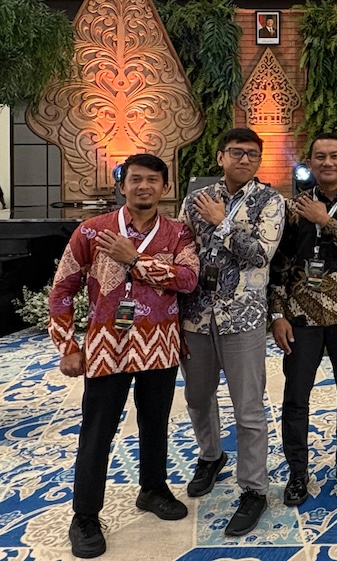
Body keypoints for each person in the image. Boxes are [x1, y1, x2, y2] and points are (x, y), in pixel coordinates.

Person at [48, 154, 199, 558]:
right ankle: (85, 516)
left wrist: (134, 259)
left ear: (165, 187)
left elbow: (188, 280)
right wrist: (67, 345)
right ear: (122, 185)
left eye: (152, 180)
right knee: (97, 431)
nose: (144, 186)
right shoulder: (92, 230)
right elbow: (62, 288)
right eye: (136, 179)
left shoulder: (178, 234)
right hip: (106, 347)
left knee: (156, 423)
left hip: (160, 346)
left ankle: (153, 489)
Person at [179, 128, 284, 536]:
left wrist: (222, 223)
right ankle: (211, 456)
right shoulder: (196, 199)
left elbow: (260, 254)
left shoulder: (270, 202)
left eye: (252, 154)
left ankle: (254, 488)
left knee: (249, 408)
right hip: (196, 316)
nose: (244, 159)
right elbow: (183, 251)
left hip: (243, 317)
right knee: (197, 396)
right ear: (220, 156)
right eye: (237, 152)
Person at [268, 133, 337, 504]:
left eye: (334, 156)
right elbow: (279, 265)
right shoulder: (292, 207)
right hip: (300, 317)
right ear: (310, 163)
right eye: (320, 157)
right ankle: (297, 472)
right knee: (296, 398)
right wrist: (278, 313)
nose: (327, 162)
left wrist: (326, 222)